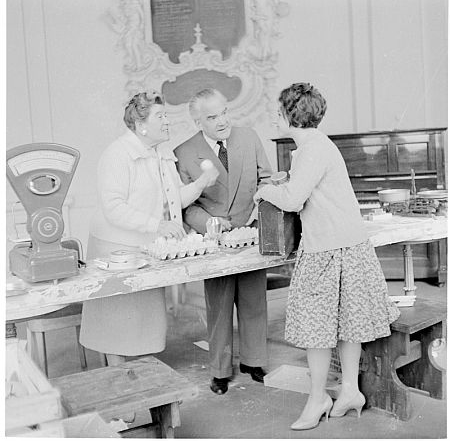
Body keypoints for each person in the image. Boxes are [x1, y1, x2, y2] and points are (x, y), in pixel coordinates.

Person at [254, 83, 400, 430]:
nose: (274, 118)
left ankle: (318, 398)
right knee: (348, 323)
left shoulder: (311, 150)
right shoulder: (317, 146)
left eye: (278, 112)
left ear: (292, 116)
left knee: (315, 331)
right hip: (347, 246)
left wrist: (265, 190)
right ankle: (349, 390)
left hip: (328, 250)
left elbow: (291, 200)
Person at [80, 91, 219, 366]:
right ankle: (120, 385)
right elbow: (114, 208)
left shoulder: (160, 154)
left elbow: (173, 199)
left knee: (142, 324)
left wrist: (202, 182)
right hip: (115, 250)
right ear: (141, 124)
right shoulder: (117, 154)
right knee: (115, 323)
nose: (167, 121)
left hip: (144, 248)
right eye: (160, 116)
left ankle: (138, 379)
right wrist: (158, 225)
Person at [175, 88, 273, 394]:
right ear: (197, 120)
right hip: (215, 241)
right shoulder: (184, 152)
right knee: (218, 307)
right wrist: (208, 224)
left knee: (254, 300)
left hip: (250, 233)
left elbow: (266, 180)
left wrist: (260, 213)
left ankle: (254, 361)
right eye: (212, 116)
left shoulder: (249, 137)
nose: (222, 121)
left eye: (224, 112)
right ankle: (220, 370)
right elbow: (184, 205)